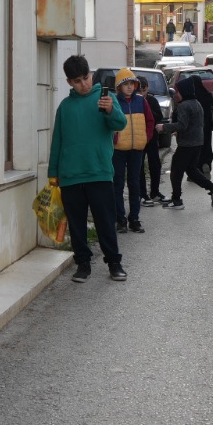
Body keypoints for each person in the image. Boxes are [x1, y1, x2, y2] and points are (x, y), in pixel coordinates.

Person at [48, 55, 128, 281]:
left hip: (99, 172)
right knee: (76, 224)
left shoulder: (106, 99)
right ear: (69, 83)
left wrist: (111, 109)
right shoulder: (65, 107)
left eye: (86, 78)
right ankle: (83, 264)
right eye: (77, 81)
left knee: (105, 221)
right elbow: (58, 141)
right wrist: (53, 174)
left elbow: (120, 124)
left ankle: (114, 263)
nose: (83, 84)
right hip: (70, 176)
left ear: (91, 75)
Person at [159, 76, 213, 210]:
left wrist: (164, 127)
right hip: (197, 143)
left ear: (185, 91)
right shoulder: (196, 102)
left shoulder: (184, 105)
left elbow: (182, 124)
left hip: (187, 145)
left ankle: (177, 201)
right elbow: (193, 123)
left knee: (176, 171)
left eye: (178, 91)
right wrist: (179, 132)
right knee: (192, 170)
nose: (176, 94)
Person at [109, 68, 151, 232]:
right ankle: (120, 219)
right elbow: (109, 122)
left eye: (131, 84)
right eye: (125, 84)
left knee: (134, 184)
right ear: (119, 87)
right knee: (117, 184)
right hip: (118, 150)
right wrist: (114, 138)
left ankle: (134, 218)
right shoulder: (114, 102)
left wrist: (145, 138)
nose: (129, 87)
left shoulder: (142, 101)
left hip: (136, 149)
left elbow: (150, 121)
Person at [136, 75, 165, 206]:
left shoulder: (152, 100)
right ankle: (142, 194)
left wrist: (148, 110)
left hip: (152, 137)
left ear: (147, 88)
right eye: (139, 91)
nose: (142, 93)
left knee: (155, 164)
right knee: (139, 166)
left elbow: (159, 116)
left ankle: (155, 192)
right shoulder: (135, 101)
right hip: (139, 137)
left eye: (144, 90)